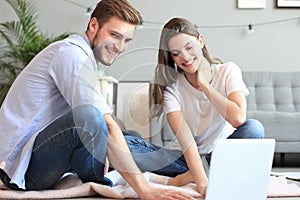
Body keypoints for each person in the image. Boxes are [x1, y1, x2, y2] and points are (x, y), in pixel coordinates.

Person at [0, 1, 196, 199]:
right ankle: (189, 168)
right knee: (92, 118)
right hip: (19, 168)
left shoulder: (82, 56)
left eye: (127, 40)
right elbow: (102, 124)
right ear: (94, 25)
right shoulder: (71, 54)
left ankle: (187, 169)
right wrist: (144, 190)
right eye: (115, 35)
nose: (120, 47)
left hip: (41, 154)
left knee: (128, 135)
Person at [124, 17, 265, 196]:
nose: (185, 57)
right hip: (188, 159)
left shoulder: (228, 70)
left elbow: (238, 118)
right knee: (121, 143)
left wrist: (205, 86)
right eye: (176, 53)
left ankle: (190, 175)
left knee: (254, 128)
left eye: (189, 47)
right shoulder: (172, 89)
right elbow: (187, 143)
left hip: (223, 156)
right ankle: (199, 174)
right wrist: (202, 182)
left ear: (200, 41)